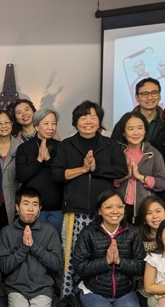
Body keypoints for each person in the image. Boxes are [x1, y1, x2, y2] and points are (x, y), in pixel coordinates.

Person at [51, 101, 127, 296]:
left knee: (99, 257)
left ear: (99, 121)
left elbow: (121, 169)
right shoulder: (67, 145)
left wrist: (97, 169)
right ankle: (69, 299)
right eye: (83, 117)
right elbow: (57, 174)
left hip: (103, 214)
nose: (88, 121)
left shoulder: (110, 145)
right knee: (73, 256)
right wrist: (83, 169)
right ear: (76, 122)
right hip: (75, 212)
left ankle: (97, 298)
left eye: (93, 117)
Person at [70, 190, 146, 307]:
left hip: (124, 292)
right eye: (109, 207)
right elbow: (79, 267)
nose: (115, 211)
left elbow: (141, 266)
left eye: (119, 206)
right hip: (95, 291)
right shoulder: (88, 232)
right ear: (99, 210)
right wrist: (105, 262)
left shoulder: (132, 232)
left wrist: (119, 262)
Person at [0, 188, 63, 307]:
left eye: (34, 204)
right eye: (26, 203)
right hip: (16, 288)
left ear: (40, 208)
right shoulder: (7, 232)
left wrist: (34, 247)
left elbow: (57, 264)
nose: (30, 209)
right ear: (17, 207)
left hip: (42, 287)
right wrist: (23, 248)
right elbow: (3, 266)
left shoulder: (49, 230)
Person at [113, 111, 165, 223]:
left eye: (140, 128)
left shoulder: (153, 153)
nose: (136, 133)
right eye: (131, 128)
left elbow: (163, 182)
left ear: (145, 130)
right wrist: (125, 176)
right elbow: (106, 180)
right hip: (118, 207)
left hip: (145, 208)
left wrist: (141, 177)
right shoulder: (116, 151)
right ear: (123, 132)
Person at [16, 108, 64, 236]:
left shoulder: (62, 147)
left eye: (53, 123)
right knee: (32, 242)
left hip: (57, 208)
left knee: (54, 243)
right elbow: (21, 176)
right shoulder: (24, 148)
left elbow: (62, 176)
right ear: (36, 126)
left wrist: (48, 160)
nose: (50, 127)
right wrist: (38, 160)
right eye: (46, 123)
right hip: (33, 208)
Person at [136, 195, 165, 307]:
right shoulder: (139, 239)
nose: (154, 216)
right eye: (149, 213)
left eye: (158, 211)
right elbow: (137, 271)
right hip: (147, 291)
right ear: (143, 218)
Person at [0, 110, 21, 228]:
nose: (4, 126)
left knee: (8, 238)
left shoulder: (21, 147)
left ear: (12, 124)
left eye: (7, 122)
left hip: (12, 201)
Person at [113, 78, 165, 143]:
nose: (150, 97)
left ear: (160, 96)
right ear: (137, 98)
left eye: (154, 93)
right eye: (144, 94)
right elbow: (113, 148)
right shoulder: (123, 123)